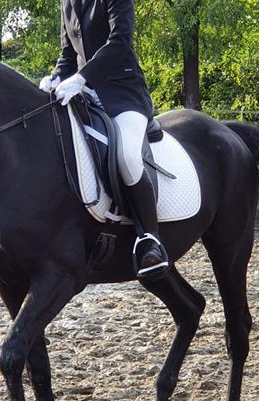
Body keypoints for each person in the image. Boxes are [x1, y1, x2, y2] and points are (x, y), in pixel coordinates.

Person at [40, 0, 169, 277]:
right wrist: (56, 77)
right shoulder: (67, 3)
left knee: (127, 156)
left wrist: (81, 78)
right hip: (84, 97)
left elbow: (120, 41)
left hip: (123, 95)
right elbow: (68, 52)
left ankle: (150, 239)